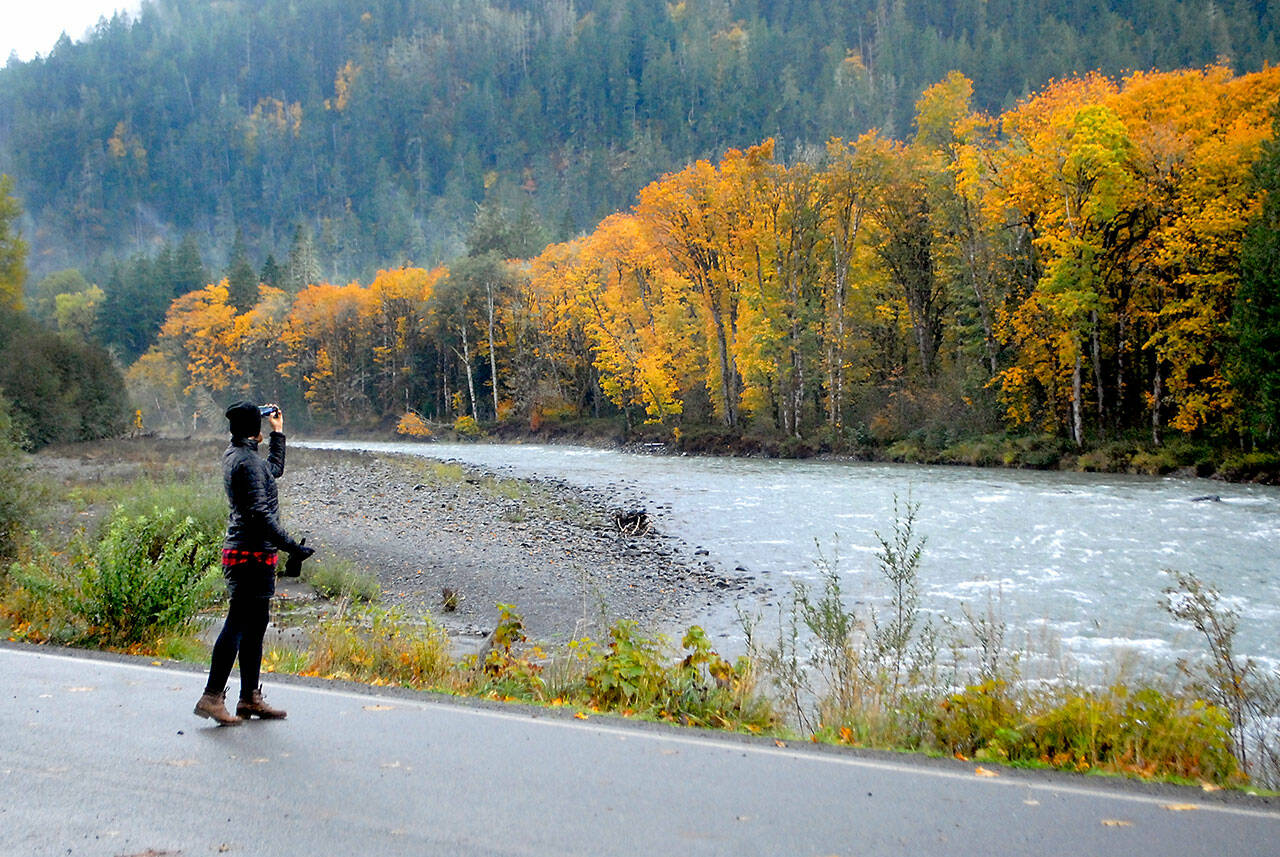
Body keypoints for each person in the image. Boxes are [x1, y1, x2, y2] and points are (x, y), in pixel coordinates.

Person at [194, 401, 314, 726]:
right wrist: (292, 547)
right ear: (253, 431)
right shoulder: (246, 463)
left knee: (255, 626)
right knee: (237, 624)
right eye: (261, 425)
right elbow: (260, 515)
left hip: (250, 553)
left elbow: (273, 469)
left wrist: (278, 433)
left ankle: (249, 698)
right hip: (250, 555)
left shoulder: (240, 454)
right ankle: (212, 697)